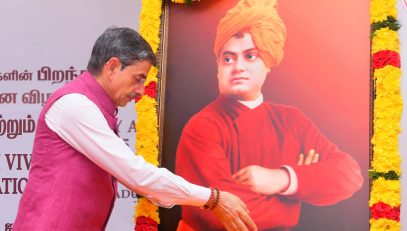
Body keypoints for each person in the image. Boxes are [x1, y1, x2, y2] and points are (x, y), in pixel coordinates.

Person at [13, 27, 257, 231]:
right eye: (138, 78)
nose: (141, 91)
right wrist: (213, 199)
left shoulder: (95, 108)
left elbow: (141, 180)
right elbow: (137, 175)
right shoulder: (74, 105)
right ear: (112, 67)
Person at [175, 0, 364, 230]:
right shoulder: (203, 127)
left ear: (268, 61)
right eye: (228, 58)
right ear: (218, 67)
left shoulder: (291, 120)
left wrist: (281, 179)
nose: (237, 67)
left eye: (250, 56)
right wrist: (296, 196)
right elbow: (225, 216)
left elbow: (349, 174)